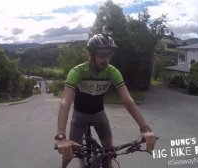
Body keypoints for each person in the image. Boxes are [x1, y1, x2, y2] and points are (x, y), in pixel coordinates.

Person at [55, 33, 157, 168]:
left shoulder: (112, 72)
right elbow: (65, 102)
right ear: (91, 55)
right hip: (79, 115)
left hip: (99, 114)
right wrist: (61, 137)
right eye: (102, 55)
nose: (106, 60)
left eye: (109, 55)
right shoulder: (78, 71)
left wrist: (145, 129)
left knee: (109, 153)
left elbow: (127, 100)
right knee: (69, 152)